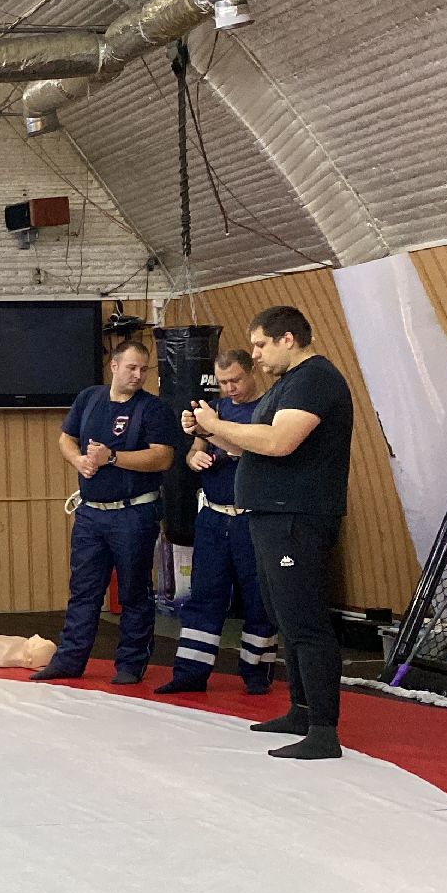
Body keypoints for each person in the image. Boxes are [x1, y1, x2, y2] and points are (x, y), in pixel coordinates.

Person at [186, 306, 354, 760]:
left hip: (296, 517)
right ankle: (301, 709)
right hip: (271, 515)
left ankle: (323, 729)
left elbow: (280, 443)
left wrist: (219, 424)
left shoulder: (315, 380)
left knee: (305, 621)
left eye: (260, 344)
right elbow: (250, 446)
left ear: (287, 339)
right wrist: (210, 431)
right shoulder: (287, 386)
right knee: (285, 618)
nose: (255, 355)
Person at [32, 341, 181, 686]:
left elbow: (162, 458)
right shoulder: (89, 398)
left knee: (133, 591)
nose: (138, 375)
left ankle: (130, 662)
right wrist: (79, 460)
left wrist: (112, 458)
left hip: (134, 511)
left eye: (144, 369)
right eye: (131, 367)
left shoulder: (153, 409)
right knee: (83, 589)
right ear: (114, 367)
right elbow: (66, 439)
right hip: (91, 512)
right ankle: (70, 659)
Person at [155, 350, 278, 696]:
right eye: (223, 382)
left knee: (257, 599)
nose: (230, 388)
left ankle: (257, 675)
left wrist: (212, 430)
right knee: (203, 595)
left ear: (252, 371)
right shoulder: (217, 409)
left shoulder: (268, 408)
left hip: (252, 519)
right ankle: (190, 673)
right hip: (212, 514)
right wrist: (196, 458)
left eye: (235, 380)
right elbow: (195, 451)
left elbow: (251, 451)